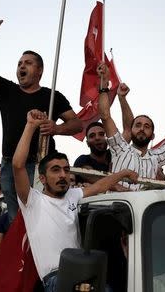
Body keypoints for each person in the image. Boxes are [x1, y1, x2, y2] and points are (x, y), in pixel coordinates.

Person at [12, 109, 139, 292]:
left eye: (66, 169)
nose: (63, 175)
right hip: (57, 279)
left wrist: (124, 173)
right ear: (42, 179)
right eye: (55, 170)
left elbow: (99, 187)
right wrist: (31, 126)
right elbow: (17, 165)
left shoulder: (73, 194)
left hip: (85, 272)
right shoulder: (32, 200)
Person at [0, 17, 83, 223]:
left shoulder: (52, 97)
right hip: (9, 166)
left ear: (39, 70)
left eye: (28, 63)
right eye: (19, 64)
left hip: (41, 165)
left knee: (40, 217)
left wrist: (56, 128)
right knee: (17, 220)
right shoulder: (8, 91)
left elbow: (77, 124)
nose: (21, 67)